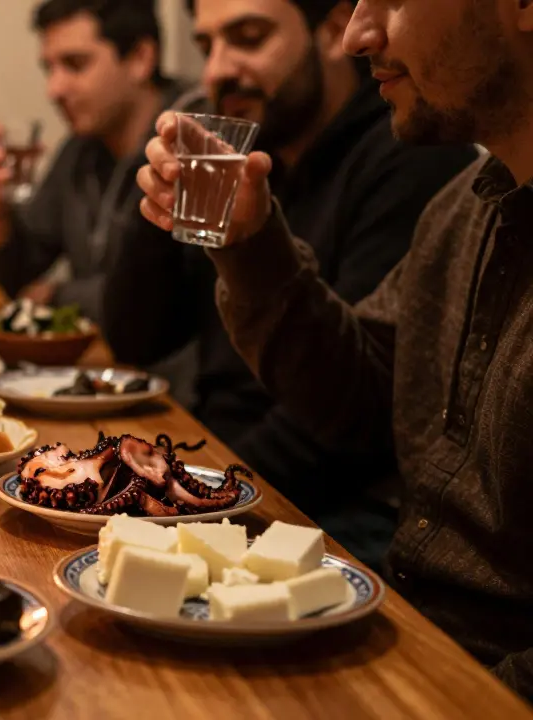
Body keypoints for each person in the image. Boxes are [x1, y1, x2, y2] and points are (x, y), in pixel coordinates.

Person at [136, 0, 533, 698]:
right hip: (402, 629)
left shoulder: (408, 175)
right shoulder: (463, 209)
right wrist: (248, 244)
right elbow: (364, 400)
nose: (355, 36)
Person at [106, 0, 475, 568]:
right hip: (219, 460)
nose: (217, 70)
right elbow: (137, 338)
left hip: (327, 507)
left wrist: (191, 495)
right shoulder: (248, 146)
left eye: (249, 37)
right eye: (206, 47)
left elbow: (351, 424)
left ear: (332, 30)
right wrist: (157, 192)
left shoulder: (409, 153)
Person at [0, 0, 189, 322]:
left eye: (75, 64)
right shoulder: (80, 150)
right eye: (49, 69)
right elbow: (10, 278)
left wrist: (57, 296)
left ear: (140, 58)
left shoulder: (191, 140)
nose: (54, 89)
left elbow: (177, 300)